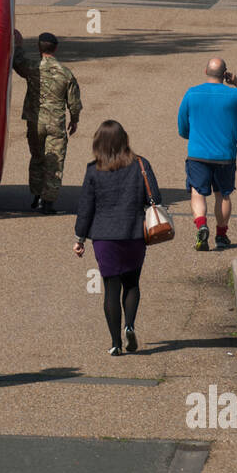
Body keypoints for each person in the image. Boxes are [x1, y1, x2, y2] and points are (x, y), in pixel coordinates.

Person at [73, 121, 161, 356]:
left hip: (104, 237)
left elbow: (86, 207)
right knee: (132, 283)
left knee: (111, 288)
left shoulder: (93, 170)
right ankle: (129, 325)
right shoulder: (141, 164)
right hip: (134, 233)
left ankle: (115, 343)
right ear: (125, 140)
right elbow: (155, 197)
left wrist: (79, 238)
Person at [177, 57, 237, 252]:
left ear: (206, 71)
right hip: (225, 155)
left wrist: (191, 136)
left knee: (197, 192)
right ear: (224, 74)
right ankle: (221, 235)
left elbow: (182, 126)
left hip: (198, 154)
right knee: (223, 195)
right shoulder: (235, 95)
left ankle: (201, 225)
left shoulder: (192, 93)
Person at [13, 30, 81, 214]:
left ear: (38, 48)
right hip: (55, 123)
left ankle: (36, 195)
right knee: (54, 162)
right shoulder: (65, 74)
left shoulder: (32, 67)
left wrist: (17, 45)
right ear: (56, 49)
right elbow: (74, 103)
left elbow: (17, 63)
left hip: (35, 122)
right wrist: (74, 120)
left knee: (37, 158)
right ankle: (48, 202)